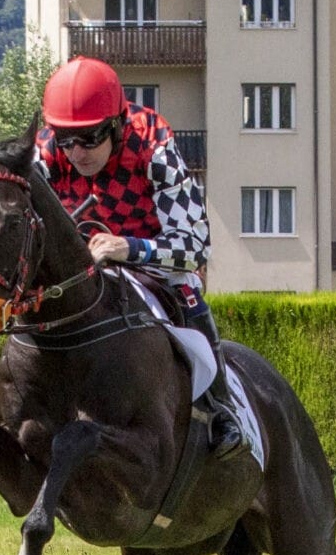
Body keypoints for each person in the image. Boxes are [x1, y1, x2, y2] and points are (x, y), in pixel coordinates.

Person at [34, 55, 244, 459]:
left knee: (186, 291)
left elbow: (195, 246)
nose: (76, 152)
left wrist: (128, 248)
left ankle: (221, 410)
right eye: (66, 139)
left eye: (90, 138)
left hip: (152, 259)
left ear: (115, 125)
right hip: (80, 269)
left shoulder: (154, 145)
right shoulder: (45, 154)